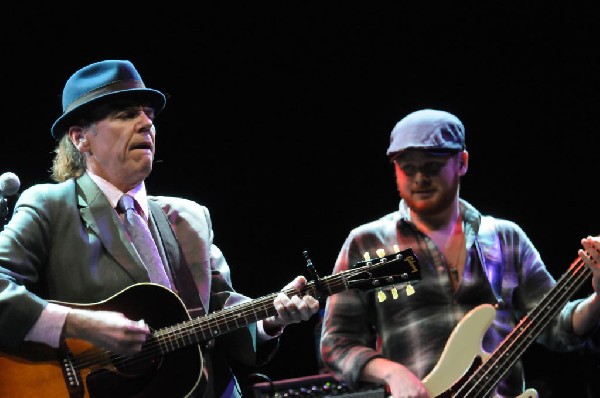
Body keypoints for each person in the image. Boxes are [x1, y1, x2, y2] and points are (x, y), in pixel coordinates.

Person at [0, 59, 320, 398]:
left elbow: (221, 311)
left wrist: (270, 319)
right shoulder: (50, 206)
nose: (145, 124)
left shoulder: (189, 217)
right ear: (81, 138)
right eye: (125, 114)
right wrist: (82, 325)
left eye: (148, 114)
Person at [319, 108, 600, 398]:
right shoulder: (366, 242)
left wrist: (597, 299)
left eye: (431, 166)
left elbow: (556, 327)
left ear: (462, 163)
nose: (419, 178)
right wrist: (392, 372)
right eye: (407, 167)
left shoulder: (505, 237)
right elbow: (336, 344)